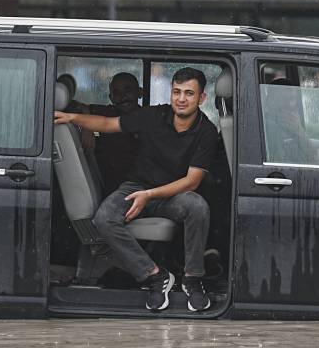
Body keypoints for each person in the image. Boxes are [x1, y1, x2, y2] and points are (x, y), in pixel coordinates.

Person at [54, 67, 219, 312]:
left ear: (201, 98)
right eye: (176, 92)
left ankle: (193, 278)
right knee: (104, 218)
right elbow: (109, 123)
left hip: (173, 194)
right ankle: (155, 276)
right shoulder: (154, 116)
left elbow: (192, 181)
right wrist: (72, 118)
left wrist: (149, 195)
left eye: (189, 93)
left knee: (197, 206)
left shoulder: (206, 131)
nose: (181, 99)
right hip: (136, 187)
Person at [87, 72, 143, 193]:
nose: (123, 97)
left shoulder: (152, 117)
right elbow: (76, 107)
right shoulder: (106, 115)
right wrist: (87, 129)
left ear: (140, 92)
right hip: (114, 188)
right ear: (111, 98)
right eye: (117, 93)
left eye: (128, 90)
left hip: (145, 187)